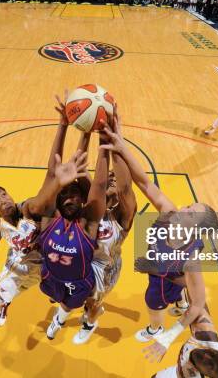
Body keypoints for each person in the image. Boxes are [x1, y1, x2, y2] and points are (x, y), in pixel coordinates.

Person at [0, 107, 86, 345]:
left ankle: (7, 304)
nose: (3, 200)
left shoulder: (29, 209)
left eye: (3, 195)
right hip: (16, 268)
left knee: (30, 295)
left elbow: (50, 175)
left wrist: (63, 125)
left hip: (46, 268)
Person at [99, 115, 218, 344]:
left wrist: (169, 336)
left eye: (191, 213)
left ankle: (155, 328)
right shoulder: (169, 213)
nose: (184, 208)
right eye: (189, 205)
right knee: (181, 288)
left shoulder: (191, 260)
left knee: (152, 304)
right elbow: (144, 182)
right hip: (167, 271)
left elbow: (198, 305)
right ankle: (179, 300)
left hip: (162, 283)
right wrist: (122, 145)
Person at [38, 108, 110, 341]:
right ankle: (60, 315)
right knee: (60, 300)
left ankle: (59, 320)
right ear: (58, 200)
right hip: (50, 276)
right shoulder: (49, 220)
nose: (70, 198)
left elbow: (98, 185)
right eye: (65, 194)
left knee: (70, 306)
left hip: (79, 283)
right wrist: (64, 125)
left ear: (83, 199)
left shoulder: (88, 224)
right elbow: (52, 174)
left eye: (76, 194)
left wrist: (97, 135)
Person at [72, 105, 137, 345]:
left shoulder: (122, 216)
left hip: (105, 271)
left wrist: (114, 143)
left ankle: (90, 321)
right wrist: (85, 130)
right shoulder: (93, 201)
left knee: (92, 303)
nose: (111, 178)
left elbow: (126, 187)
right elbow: (80, 170)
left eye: (115, 177)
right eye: (107, 176)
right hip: (79, 262)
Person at [146, 303, 218, 378]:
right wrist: (169, 336)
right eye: (214, 354)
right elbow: (197, 300)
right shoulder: (206, 334)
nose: (206, 356)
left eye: (211, 365)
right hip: (176, 372)